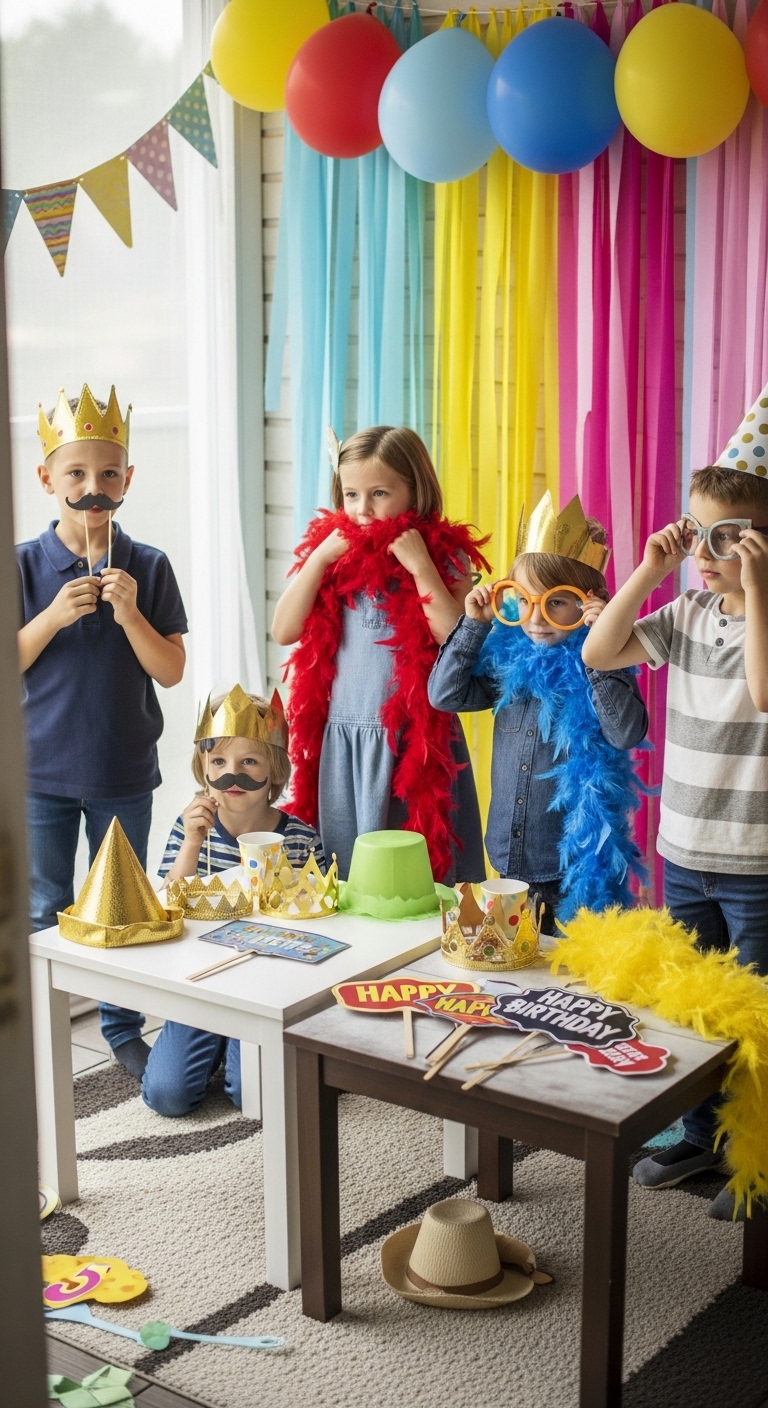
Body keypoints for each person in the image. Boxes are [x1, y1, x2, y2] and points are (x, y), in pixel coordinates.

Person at [582, 385, 768, 1220]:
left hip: (757, 860)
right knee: (690, 1004)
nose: (709, 553)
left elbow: (764, 694)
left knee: (756, 1017)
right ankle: (698, 1135)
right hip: (686, 850)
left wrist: (758, 587)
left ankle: (755, 1158)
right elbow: (601, 648)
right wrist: (653, 566)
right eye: (700, 534)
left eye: (727, 538)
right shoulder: (686, 609)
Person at [17, 385, 187, 1077]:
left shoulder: (148, 566)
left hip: (121, 769)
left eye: (108, 474)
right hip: (40, 772)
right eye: (77, 474)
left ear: (128, 479)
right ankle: (39, 1029)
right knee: (44, 903)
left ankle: (119, 1025)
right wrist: (53, 616)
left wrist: (132, 615)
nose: (94, 488)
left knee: (122, 907)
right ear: (47, 478)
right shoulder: (24, 566)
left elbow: (171, 670)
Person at [271, 425, 489, 884]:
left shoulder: (441, 556)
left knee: (414, 876)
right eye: (351, 494)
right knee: (347, 874)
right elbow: (283, 629)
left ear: (416, 490)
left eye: (379, 493)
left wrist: (420, 565)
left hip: (415, 745)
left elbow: (455, 638)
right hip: (343, 745)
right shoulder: (334, 556)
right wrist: (319, 560)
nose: (362, 509)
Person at [429, 492, 649, 928]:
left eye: (556, 602)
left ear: (587, 602)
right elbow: (444, 695)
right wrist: (474, 624)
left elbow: (626, 732)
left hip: (576, 868)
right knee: (515, 969)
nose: (536, 617)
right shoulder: (508, 662)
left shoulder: (603, 662)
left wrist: (599, 645)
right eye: (524, 599)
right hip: (509, 859)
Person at [138, 687, 324, 1116]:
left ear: (273, 771)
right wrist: (191, 841)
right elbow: (168, 904)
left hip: (266, 985)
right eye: (218, 762)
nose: (231, 775)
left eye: (249, 762)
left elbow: (315, 917)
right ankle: (209, 1043)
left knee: (254, 1096)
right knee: (167, 1095)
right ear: (203, 767)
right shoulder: (191, 830)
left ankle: (233, 1048)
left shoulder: (298, 837)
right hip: (202, 983)